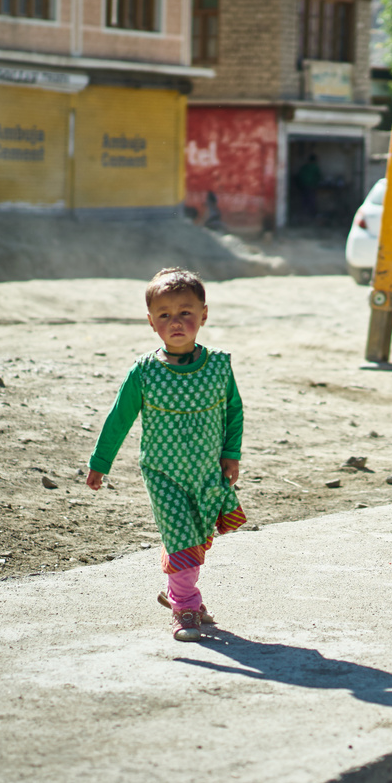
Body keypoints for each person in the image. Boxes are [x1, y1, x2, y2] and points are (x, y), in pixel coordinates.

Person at [85, 267, 247, 642]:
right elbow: (118, 419)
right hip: (162, 473)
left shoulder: (219, 366)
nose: (176, 322)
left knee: (197, 536)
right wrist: (100, 463)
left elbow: (233, 412)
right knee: (181, 537)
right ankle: (185, 607)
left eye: (186, 313)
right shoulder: (144, 372)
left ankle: (180, 590)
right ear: (151, 322)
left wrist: (230, 454)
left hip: (207, 472)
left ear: (204, 315)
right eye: (165, 315)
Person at [294, 153, 322, 221]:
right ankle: (311, 216)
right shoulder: (315, 167)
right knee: (311, 200)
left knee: (304, 200)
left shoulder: (304, 166)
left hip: (302, 186)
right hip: (310, 186)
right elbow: (318, 177)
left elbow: (298, 176)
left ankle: (304, 216)